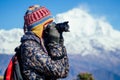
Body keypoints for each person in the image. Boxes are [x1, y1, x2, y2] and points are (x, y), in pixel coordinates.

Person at [20, 5, 69, 80]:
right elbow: (60, 71)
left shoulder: (43, 44)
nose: (52, 27)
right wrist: (55, 44)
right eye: (49, 24)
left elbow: (65, 71)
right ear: (39, 28)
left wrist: (60, 43)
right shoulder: (30, 47)